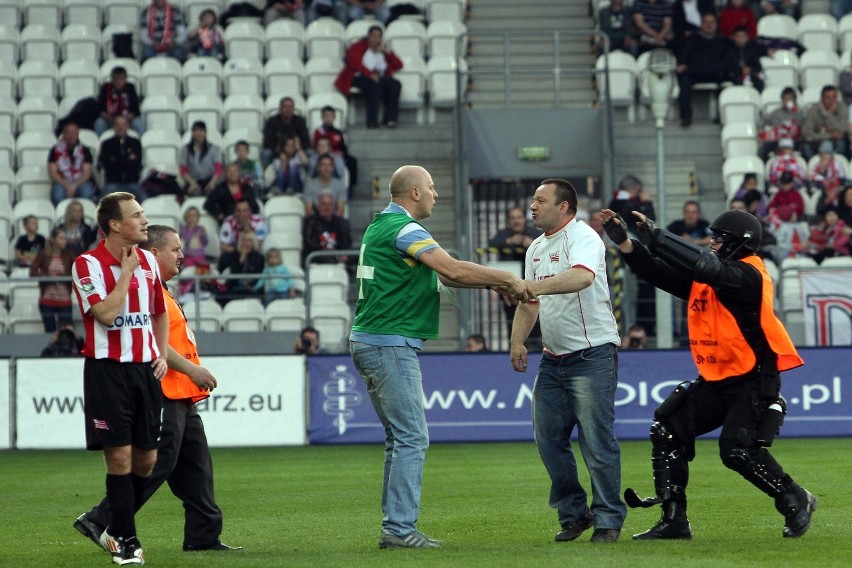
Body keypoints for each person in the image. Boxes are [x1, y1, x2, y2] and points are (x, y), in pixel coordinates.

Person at [600, 207, 815, 540]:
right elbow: (659, 273)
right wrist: (627, 244)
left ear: (738, 244)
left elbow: (705, 265)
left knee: (737, 450)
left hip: (753, 378)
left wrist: (657, 236)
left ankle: (794, 497)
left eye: (719, 239)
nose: (712, 243)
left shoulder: (750, 275)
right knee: (667, 428)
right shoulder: (712, 274)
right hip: (718, 377)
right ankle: (674, 520)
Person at [349, 164, 532, 549]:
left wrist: (491, 284)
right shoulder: (405, 228)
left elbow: (446, 276)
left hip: (372, 339)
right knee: (412, 437)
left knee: (399, 438)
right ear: (414, 193)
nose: (436, 194)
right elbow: (451, 269)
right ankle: (398, 529)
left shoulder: (379, 225)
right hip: (389, 342)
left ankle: (395, 526)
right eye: (431, 188)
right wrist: (507, 278)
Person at [73, 224, 240, 556]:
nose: (181, 256)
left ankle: (203, 535)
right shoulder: (145, 290)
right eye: (175, 249)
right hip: (161, 387)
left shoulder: (161, 289)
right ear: (153, 253)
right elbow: (152, 340)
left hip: (182, 392)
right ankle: (100, 518)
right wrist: (193, 368)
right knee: (157, 463)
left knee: (196, 467)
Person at [509, 179, 626, 544]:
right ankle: (574, 514)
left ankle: (608, 517)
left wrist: (533, 287)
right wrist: (516, 342)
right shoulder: (535, 249)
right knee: (547, 440)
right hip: (552, 359)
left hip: (592, 355)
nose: (532, 206)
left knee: (596, 440)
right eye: (532, 200)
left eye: (540, 201)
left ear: (564, 207)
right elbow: (529, 303)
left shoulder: (585, 237)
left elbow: (581, 277)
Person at [70, 192, 170, 565]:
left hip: (144, 370)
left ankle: (109, 524)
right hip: (107, 372)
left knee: (147, 461)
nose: (145, 221)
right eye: (137, 215)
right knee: (120, 458)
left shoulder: (147, 259)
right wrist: (124, 275)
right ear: (114, 224)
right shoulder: (86, 264)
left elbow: (159, 312)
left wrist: (160, 354)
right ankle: (126, 540)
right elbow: (107, 315)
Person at [487, 206, 543, 337]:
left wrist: (531, 243)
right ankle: (514, 344)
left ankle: (534, 345)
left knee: (534, 314)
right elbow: (492, 243)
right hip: (509, 286)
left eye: (518, 217)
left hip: (531, 283)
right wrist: (509, 241)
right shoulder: (504, 234)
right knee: (511, 317)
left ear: (524, 219)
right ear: (508, 221)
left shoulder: (533, 233)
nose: (516, 221)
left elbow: (545, 244)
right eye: (512, 218)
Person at [675, 13, 738, 128]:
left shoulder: (723, 41)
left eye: (712, 22)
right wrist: (681, 64)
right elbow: (683, 55)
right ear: (701, 24)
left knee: (729, 81)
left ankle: (722, 117)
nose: (709, 25)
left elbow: (730, 60)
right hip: (696, 72)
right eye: (706, 22)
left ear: (716, 24)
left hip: (717, 72)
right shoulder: (692, 39)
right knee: (684, 80)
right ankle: (686, 116)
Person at [335, 25, 403, 129]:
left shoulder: (383, 50)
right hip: (358, 76)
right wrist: (370, 74)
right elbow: (353, 62)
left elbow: (399, 65)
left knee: (395, 84)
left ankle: (390, 120)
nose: (375, 39)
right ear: (368, 36)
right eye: (373, 36)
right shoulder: (358, 46)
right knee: (374, 85)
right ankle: (372, 121)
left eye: (378, 36)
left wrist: (388, 53)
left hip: (379, 77)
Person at [30, 227, 77, 332]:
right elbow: (33, 272)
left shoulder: (69, 254)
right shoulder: (43, 254)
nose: (64, 241)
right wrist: (47, 276)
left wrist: (64, 276)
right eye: (61, 238)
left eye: (65, 238)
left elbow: (78, 270)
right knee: (50, 333)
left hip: (65, 300)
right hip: (47, 300)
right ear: (53, 239)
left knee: (67, 333)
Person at [312, 105, 358, 194]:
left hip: (337, 155)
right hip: (322, 155)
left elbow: (343, 147)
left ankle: (350, 188)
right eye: (326, 116)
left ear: (334, 117)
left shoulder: (338, 132)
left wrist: (341, 152)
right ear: (322, 117)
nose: (328, 118)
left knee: (352, 161)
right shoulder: (318, 132)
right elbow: (315, 146)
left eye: (331, 116)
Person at [49, 122, 97, 206]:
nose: (71, 135)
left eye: (73, 132)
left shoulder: (85, 150)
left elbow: (87, 173)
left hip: (80, 181)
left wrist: (74, 185)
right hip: (62, 182)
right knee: (57, 195)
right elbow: (53, 173)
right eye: (68, 132)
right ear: (63, 134)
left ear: (77, 134)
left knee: (87, 192)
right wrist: (66, 184)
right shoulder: (54, 150)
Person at [99, 116, 145, 201]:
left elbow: (137, 164)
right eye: (117, 124)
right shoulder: (107, 144)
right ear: (113, 126)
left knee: (144, 198)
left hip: (132, 182)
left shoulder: (135, 143)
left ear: (128, 126)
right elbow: (106, 165)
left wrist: (115, 159)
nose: (121, 127)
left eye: (123, 124)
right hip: (113, 182)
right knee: (103, 201)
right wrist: (127, 160)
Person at [302, 193, 353, 266]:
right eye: (323, 204)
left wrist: (342, 254)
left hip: (337, 254)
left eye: (330, 204)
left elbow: (346, 241)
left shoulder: (340, 222)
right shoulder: (310, 222)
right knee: (328, 258)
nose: (327, 207)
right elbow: (308, 242)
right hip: (317, 256)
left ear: (333, 207)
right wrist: (323, 249)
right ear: (318, 206)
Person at [216, 230, 265, 304]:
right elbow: (232, 276)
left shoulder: (259, 257)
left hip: (251, 289)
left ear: (253, 243)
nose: (246, 243)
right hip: (233, 288)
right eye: (243, 240)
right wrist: (241, 261)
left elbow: (258, 275)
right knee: (221, 295)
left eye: (249, 241)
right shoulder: (231, 256)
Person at [800, 85, 848, 160]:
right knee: (805, 146)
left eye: (834, 97)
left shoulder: (842, 108)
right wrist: (829, 135)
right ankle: (814, 166)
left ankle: (837, 165)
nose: (832, 101)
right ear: (822, 98)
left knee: (841, 143)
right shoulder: (813, 110)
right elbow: (807, 132)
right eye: (828, 98)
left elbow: (842, 130)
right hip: (816, 141)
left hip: (834, 141)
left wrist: (829, 115)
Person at [94, 66, 145, 137]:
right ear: (112, 79)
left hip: (127, 119)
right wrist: (113, 119)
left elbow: (135, 110)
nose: (118, 81)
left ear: (125, 79)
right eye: (115, 79)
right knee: (99, 123)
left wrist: (124, 120)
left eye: (121, 78)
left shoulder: (130, 88)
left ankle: (140, 144)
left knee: (139, 123)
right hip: (110, 119)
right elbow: (100, 110)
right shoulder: (105, 88)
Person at [261, 97, 311, 167]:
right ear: (280, 109)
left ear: (294, 109)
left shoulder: (300, 121)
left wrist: (295, 148)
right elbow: (267, 142)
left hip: (296, 150)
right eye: (285, 107)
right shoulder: (271, 121)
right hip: (277, 151)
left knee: (310, 152)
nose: (288, 110)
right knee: (266, 153)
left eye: (290, 107)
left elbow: (306, 142)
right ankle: (266, 174)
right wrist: (281, 150)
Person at [180, 121, 223, 197]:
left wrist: (212, 183)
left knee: (212, 193)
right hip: (192, 180)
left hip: (210, 180)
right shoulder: (185, 149)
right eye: (196, 130)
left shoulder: (214, 149)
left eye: (201, 130)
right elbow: (183, 171)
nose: (199, 133)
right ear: (192, 133)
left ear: (205, 132)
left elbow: (218, 170)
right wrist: (192, 183)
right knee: (194, 193)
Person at [758, 86, 802, 162]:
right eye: (786, 99)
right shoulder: (776, 113)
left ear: (794, 100)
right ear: (782, 100)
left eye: (790, 99)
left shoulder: (799, 113)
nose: (787, 101)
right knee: (763, 149)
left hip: (794, 141)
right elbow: (762, 120)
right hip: (778, 141)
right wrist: (760, 128)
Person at [731, 26, 765, 92]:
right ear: (734, 38)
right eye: (738, 36)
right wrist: (741, 70)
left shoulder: (752, 50)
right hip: (735, 76)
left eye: (743, 36)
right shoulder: (729, 51)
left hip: (750, 75)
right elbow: (728, 66)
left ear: (747, 37)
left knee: (759, 82)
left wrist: (750, 69)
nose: (740, 39)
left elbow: (758, 66)